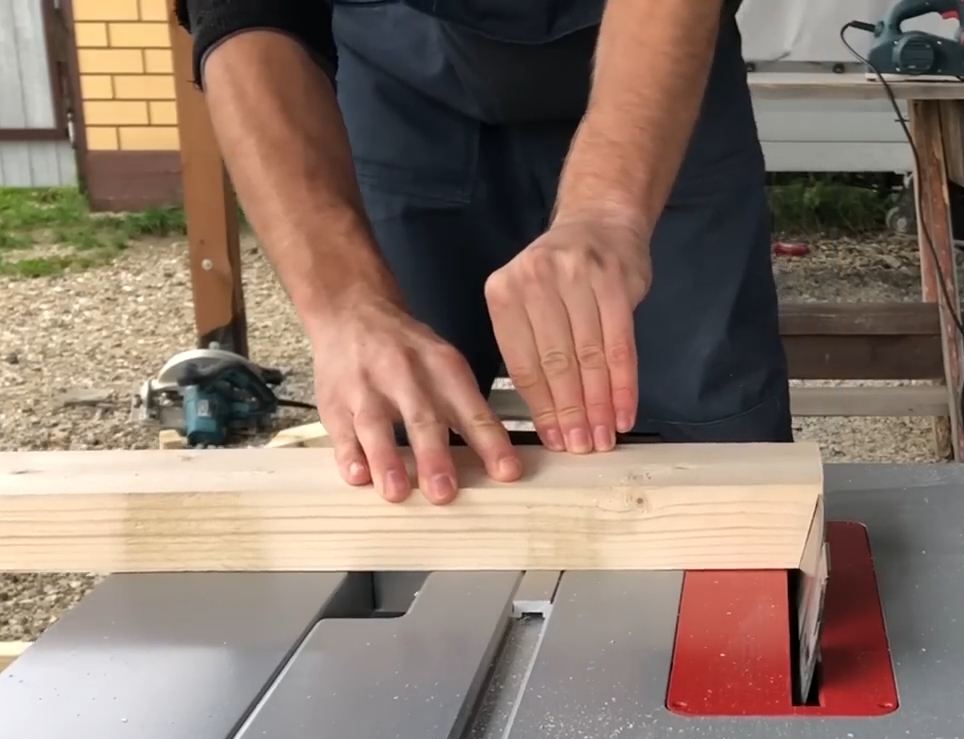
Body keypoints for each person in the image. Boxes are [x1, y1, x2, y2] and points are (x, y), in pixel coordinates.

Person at [174, 0, 793, 504]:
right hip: (395, 74)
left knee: (721, 462)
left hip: (656, 58)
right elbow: (243, 11)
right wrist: (343, 303)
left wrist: (607, 209)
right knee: (396, 438)